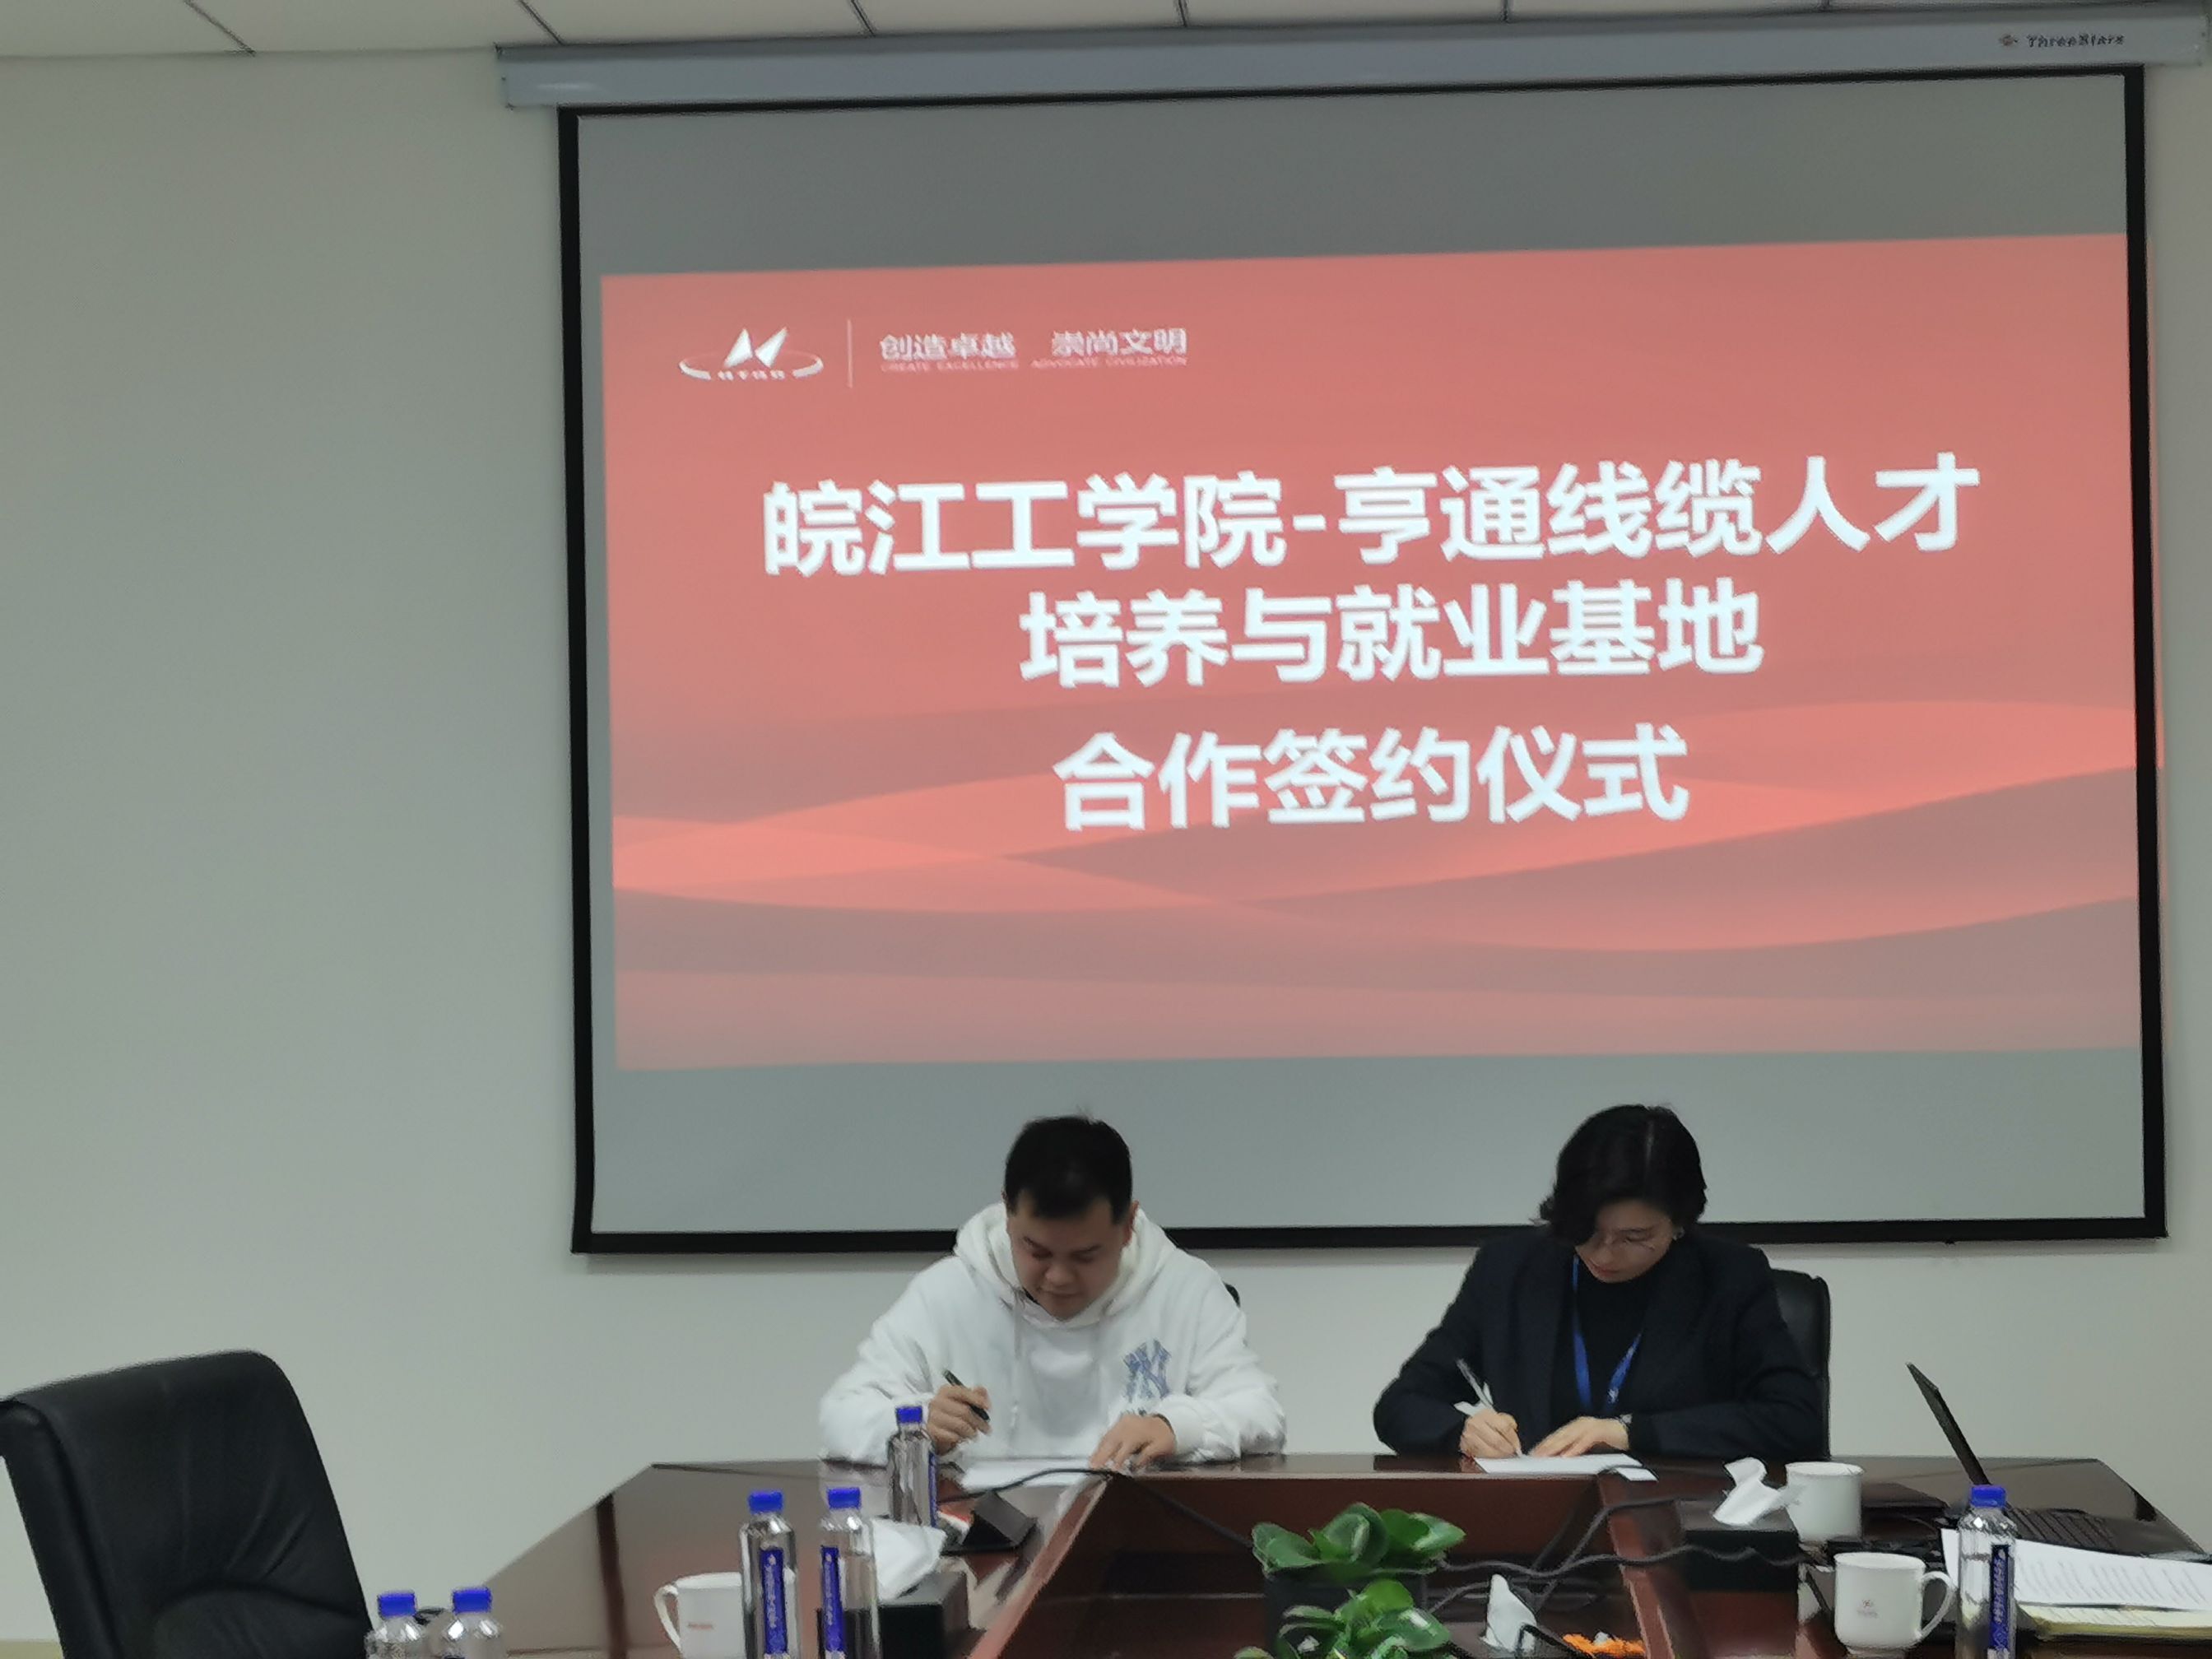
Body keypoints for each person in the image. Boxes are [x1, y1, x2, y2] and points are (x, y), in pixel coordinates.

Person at [819, 1115, 1285, 1471]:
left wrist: (1174, 1426)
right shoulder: (948, 1292)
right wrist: (916, 1422)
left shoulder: (1185, 1290)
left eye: (1085, 1256)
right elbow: (841, 1415)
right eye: (1036, 1251)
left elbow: (1262, 1414)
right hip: (983, 1544)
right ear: (1007, 1214)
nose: (1058, 1278)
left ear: (1127, 1225)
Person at [1373, 1104, 1821, 1463]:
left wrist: (1634, 1433)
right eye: (1586, 1232)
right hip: (1539, 1520)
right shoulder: (1509, 1270)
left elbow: (1795, 1421)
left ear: (1680, 1222)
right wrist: (1461, 1431)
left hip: (1676, 1519)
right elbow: (1400, 1404)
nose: (1604, 1255)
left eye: (1634, 1238)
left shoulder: (1729, 1277)